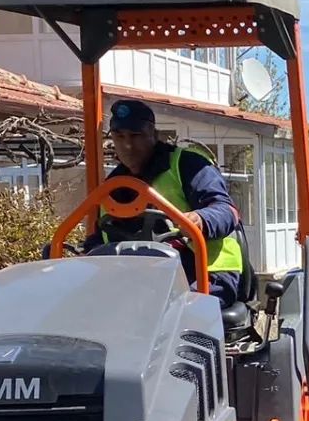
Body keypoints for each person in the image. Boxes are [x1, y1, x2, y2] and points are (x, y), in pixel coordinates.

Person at [88, 98, 246, 304]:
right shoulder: (113, 186)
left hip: (207, 272)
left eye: (136, 136)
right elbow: (103, 237)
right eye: (119, 136)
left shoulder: (187, 165)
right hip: (148, 278)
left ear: (153, 135)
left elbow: (227, 210)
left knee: (166, 308)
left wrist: (200, 219)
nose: (127, 145)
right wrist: (80, 254)